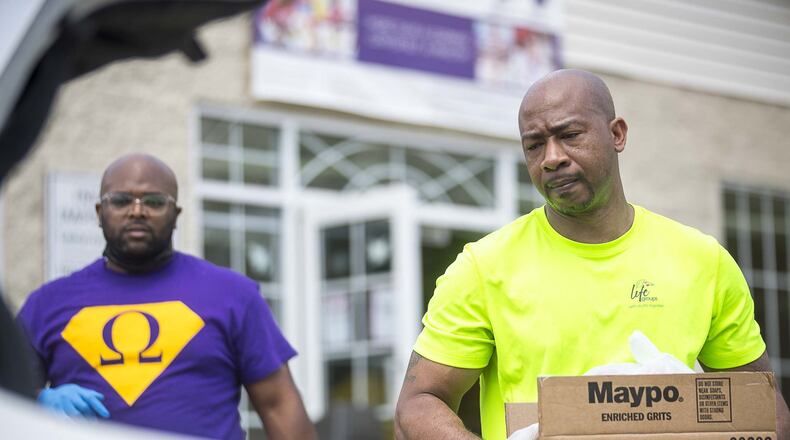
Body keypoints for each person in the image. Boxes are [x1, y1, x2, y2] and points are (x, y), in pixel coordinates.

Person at [394, 69, 790, 440]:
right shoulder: (484, 267)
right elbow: (419, 402)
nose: (552, 157)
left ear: (617, 134)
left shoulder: (703, 261)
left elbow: (764, 409)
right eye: (535, 144)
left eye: (569, 135)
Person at [17, 154, 316, 440]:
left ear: (176, 214)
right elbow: (7, 396)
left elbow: (278, 404)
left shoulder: (233, 296)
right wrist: (37, 400)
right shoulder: (46, 305)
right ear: (99, 213)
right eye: (120, 201)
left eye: (154, 201)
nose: (137, 211)